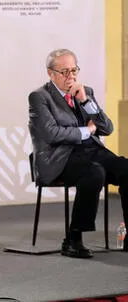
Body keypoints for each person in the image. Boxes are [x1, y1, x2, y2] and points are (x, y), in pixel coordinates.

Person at [28, 48, 128, 258]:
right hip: (59, 158)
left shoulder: (86, 92)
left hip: (91, 152)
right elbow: (52, 134)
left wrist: (85, 102)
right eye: (64, 71)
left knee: (125, 169)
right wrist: (89, 130)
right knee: (94, 173)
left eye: (74, 70)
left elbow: (107, 128)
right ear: (50, 73)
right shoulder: (39, 97)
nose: (71, 76)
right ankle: (73, 239)